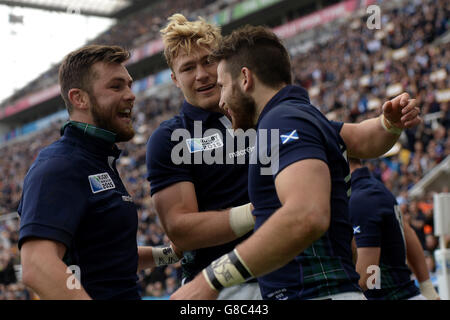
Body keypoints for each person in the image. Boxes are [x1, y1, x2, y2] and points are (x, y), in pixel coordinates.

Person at [170, 25, 421, 300]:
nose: (221, 100)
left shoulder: (282, 121)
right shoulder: (304, 116)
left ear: (245, 79)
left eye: (223, 86)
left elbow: (307, 215)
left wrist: (212, 278)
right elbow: (365, 138)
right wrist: (389, 124)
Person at [18, 45, 180, 300]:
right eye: (116, 87)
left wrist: (171, 254)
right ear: (79, 98)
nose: (131, 95)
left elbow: (110, 258)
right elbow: (37, 265)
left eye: (129, 85)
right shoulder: (59, 166)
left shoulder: (97, 160)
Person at [146, 14, 260, 300]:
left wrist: (387, 124)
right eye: (187, 68)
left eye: (208, 61)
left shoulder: (263, 110)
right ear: (174, 79)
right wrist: (263, 210)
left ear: (223, 62)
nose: (201, 74)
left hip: (293, 270)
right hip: (224, 286)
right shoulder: (169, 138)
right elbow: (182, 230)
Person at [348, 157, 440, 300]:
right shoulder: (373, 188)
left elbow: (366, 277)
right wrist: (427, 286)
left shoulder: (361, 197)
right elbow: (407, 230)